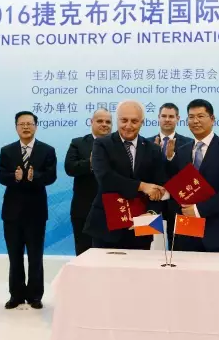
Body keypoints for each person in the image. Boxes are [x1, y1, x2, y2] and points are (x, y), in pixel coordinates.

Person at [84, 100, 167, 250]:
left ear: (142, 122)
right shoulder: (102, 144)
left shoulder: (153, 149)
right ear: (117, 120)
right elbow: (105, 178)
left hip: (141, 224)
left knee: (139, 265)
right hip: (106, 225)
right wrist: (142, 186)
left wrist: (152, 212)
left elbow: (159, 186)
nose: (128, 126)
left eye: (134, 121)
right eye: (124, 120)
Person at [0, 111, 57, 309]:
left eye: (29, 124)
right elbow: (1, 176)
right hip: (12, 212)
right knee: (14, 256)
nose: (25, 127)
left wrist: (34, 177)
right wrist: (13, 177)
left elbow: (51, 176)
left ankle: (35, 296)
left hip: (36, 211)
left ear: (36, 126)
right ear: (16, 127)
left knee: (35, 256)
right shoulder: (7, 150)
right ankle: (16, 295)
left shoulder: (47, 150)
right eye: (21, 124)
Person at [165, 99, 219, 253]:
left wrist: (198, 210)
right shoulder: (182, 151)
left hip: (218, 231)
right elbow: (176, 187)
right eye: (191, 117)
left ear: (212, 119)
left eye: (200, 116)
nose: (195, 121)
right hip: (187, 231)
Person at [65, 108, 112, 256]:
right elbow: (70, 168)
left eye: (108, 122)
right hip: (84, 209)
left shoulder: (119, 144)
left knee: (110, 255)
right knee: (84, 254)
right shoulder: (78, 143)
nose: (104, 124)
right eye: (100, 121)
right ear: (91, 122)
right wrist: (90, 163)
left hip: (112, 210)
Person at [146, 103, 191, 249]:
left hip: (178, 203)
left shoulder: (188, 143)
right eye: (164, 116)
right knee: (146, 242)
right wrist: (156, 157)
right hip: (152, 201)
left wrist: (171, 158)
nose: (167, 119)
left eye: (171, 116)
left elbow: (187, 173)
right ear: (158, 118)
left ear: (178, 118)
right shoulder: (146, 143)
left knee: (180, 244)